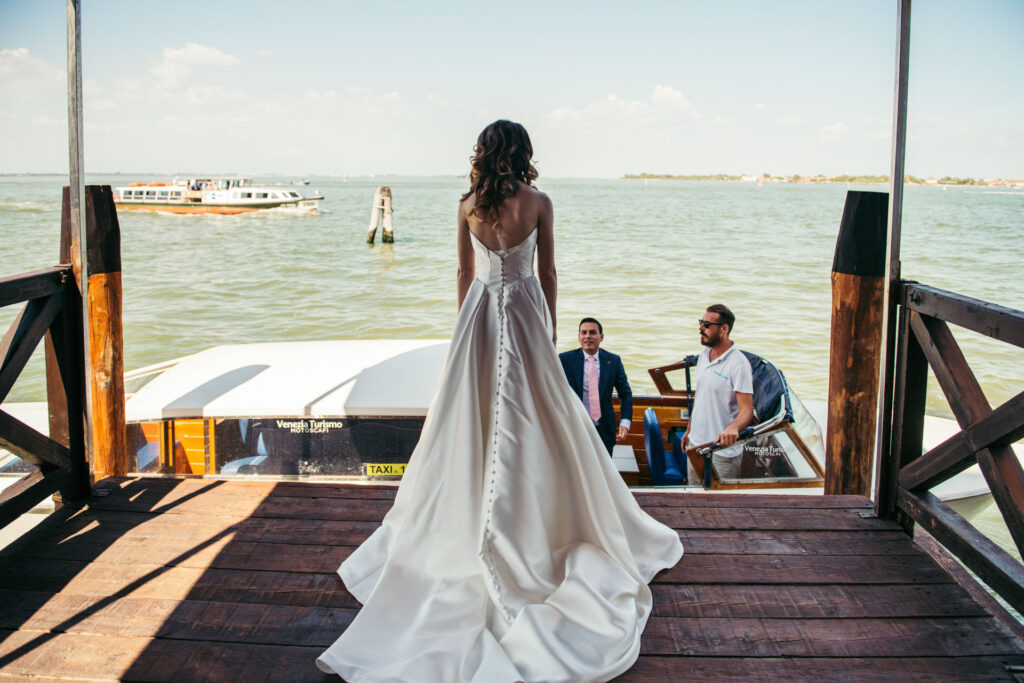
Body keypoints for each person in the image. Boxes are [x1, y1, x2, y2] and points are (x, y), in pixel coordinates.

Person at [316, 120, 683, 682]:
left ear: (482, 155)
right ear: (524, 154)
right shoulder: (538, 202)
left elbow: (465, 273)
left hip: (480, 316)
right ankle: (544, 518)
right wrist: (550, 328)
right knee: (544, 417)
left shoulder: (467, 205)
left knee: (467, 419)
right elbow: (548, 271)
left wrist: (468, 330)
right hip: (527, 315)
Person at [685, 304, 754, 481]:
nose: (700, 328)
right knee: (692, 499)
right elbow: (700, 397)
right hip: (695, 445)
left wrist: (733, 428)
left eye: (707, 324)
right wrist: (689, 430)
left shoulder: (739, 364)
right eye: (701, 322)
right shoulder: (703, 355)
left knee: (720, 504)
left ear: (724, 329)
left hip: (723, 451)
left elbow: (746, 411)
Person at [559, 318, 633, 455]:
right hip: (574, 427)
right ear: (579, 337)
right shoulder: (564, 360)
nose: (588, 336)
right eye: (584, 333)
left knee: (604, 472)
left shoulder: (614, 361)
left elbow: (626, 394)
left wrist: (625, 423)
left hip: (604, 429)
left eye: (592, 332)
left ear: (601, 337)